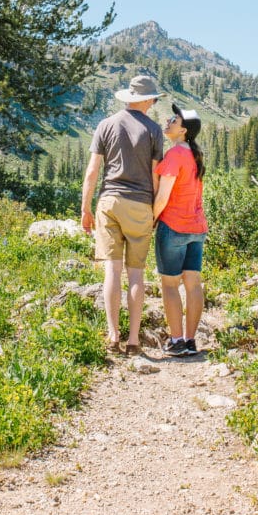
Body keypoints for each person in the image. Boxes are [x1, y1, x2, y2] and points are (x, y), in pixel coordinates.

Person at [81, 75, 165, 355]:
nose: (154, 103)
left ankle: (112, 334)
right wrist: (154, 211)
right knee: (137, 274)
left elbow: (93, 171)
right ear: (144, 100)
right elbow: (155, 175)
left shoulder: (106, 125)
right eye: (152, 98)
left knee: (112, 271)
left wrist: (85, 208)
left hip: (110, 201)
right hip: (140, 204)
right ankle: (133, 340)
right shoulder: (153, 129)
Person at [152, 103, 208, 356]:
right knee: (193, 283)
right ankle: (190, 340)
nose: (168, 121)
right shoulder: (194, 156)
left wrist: (151, 220)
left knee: (170, 285)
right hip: (197, 228)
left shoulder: (174, 155)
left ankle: (176, 341)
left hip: (173, 225)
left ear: (184, 130)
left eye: (174, 120)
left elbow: (163, 197)